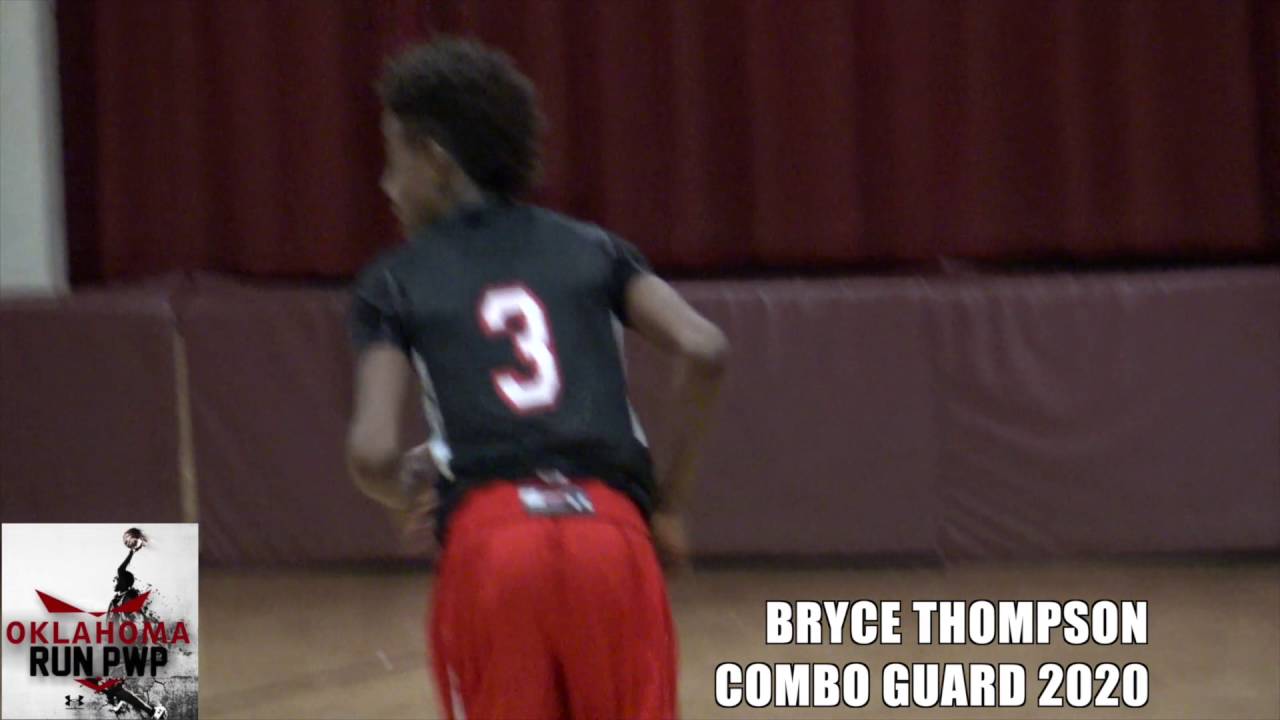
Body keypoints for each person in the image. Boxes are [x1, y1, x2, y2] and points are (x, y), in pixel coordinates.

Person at [346, 37, 728, 719]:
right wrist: (667, 506)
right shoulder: (594, 248)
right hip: (611, 538)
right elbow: (704, 348)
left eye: (393, 158)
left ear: (435, 161)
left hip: (493, 546)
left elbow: (371, 452)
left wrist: (406, 484)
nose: (385, 184)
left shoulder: (394, 281)